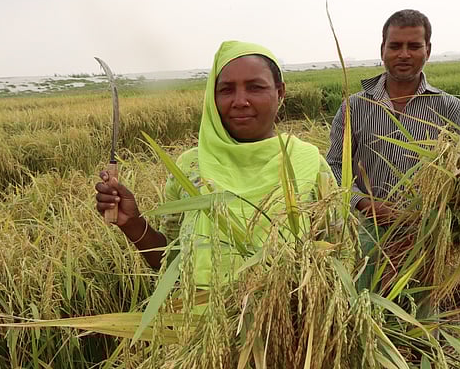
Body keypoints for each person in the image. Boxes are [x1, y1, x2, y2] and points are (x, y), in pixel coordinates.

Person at [94, 41, 336, 287]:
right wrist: (132, 223)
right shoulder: (190, 167)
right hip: (201, 322)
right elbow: (171, 264)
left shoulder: (309, 163)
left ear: (280, 92)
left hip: (288, 322)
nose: (240, 101)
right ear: (212, 96)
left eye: (255, 87)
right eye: (226, 90)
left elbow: (341, 257)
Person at [325, 9, 460, 289]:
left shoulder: (450, 108)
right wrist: (365, 205)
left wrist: (431, 219)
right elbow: (333, 166)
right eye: (395, 46)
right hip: (365, 237)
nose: (404, 54)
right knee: (366, 313)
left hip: (425, 239)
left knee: (421, 320)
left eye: (414, 46)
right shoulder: (355, 107)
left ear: (428, 50)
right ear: (383, 49)